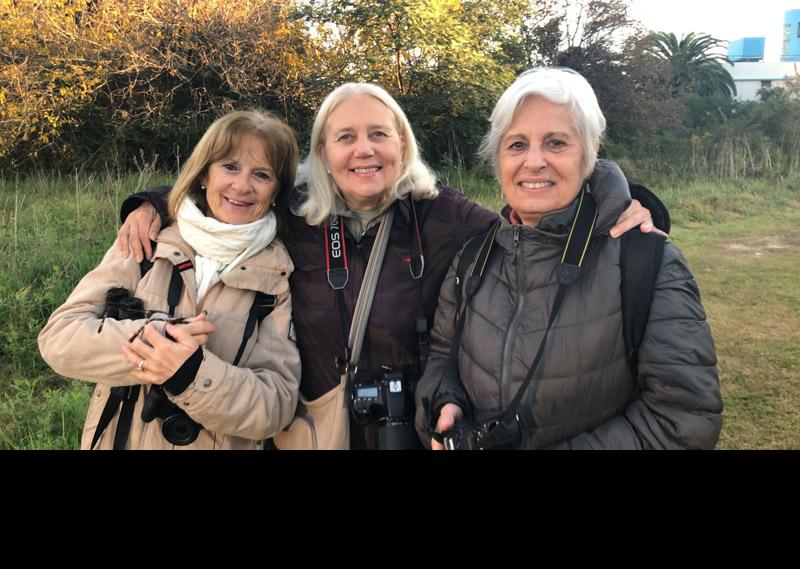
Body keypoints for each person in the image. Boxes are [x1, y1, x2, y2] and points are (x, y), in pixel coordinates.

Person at [115, 82, 669, 450]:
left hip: (413, 431)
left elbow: (533, 220)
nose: (364, 150)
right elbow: (229, 196)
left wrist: (630, 202)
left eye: (379, 134)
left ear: (403, 145)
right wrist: (151, 202)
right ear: (322, 152)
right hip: (311, 430)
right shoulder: (295, 214)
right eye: (345, 137)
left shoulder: (446, 217)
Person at [415, 68, 723, 450]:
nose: (534, 161)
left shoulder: (647, 262)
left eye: (556, 142)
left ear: (590, 152)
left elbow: (683, 420)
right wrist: (444, 405)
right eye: (516, 145)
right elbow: (442, 357)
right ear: (498, 159)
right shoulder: (472, 259)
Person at [39, 110, 301, 449]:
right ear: (204, 173)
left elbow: (276, 406)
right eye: (230, 167)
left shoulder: (278, 275)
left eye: (262, 174)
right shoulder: (147, 238)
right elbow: (60, 339)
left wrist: (191, 374)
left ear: (277, 189)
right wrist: (158, 340)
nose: (242, 185)